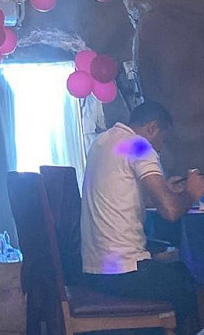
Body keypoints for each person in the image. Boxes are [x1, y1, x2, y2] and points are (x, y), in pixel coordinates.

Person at [81, 100, 204, 335]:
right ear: (152, 128)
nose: (160, 149)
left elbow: (121, 195)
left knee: (178, 272)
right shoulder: (139, 146)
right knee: (189, 286)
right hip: (125, 272)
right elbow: (171, 212)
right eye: (162, 140)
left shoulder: (102, 142)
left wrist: (165, 189)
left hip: (94, 271)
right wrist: (191, 192)